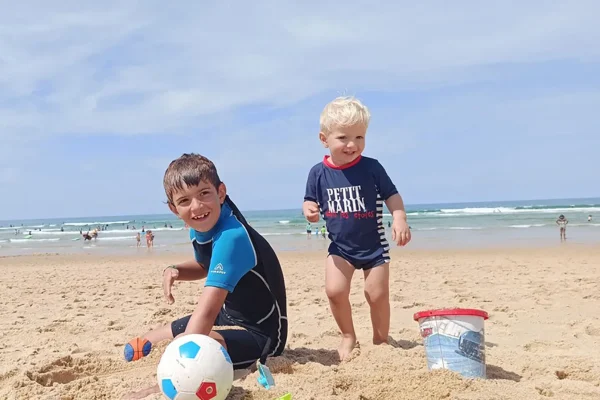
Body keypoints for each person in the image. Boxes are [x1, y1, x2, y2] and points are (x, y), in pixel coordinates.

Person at [123, 153, 288, 399]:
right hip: (230, 313)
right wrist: (175, 270)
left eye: (204, 194)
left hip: (262, 333)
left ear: (220, 192)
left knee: (200, 342)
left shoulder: (232, 237)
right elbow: (205, 265)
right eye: (185, 200)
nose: (197, 207)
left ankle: (163, 385)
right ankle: (151, 340)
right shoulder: (203, 225)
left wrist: (173, 372)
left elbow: (207, 312)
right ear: (174, 209)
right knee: (178, 329)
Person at [303, 96, 411, 361]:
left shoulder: (371, 167)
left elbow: (392, 196)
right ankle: (348, 336)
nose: (352, 145)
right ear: (323, 139)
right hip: (340, 248)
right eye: (343, 138)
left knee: (376, 294)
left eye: (359, 137)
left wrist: (399, 218)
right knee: (335, 291)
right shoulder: (318, 173)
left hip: (374, 247)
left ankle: (381, 339)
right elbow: (310, 199)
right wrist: (309, 210)